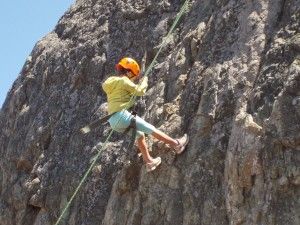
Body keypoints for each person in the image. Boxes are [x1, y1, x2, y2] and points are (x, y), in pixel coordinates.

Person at [102, 57, 189, 172]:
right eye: (133, 75)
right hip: (122, 116)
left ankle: (149, 162)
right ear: (128, 72)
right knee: (150, 129)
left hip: (112, 121)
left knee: (140, 135)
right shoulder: (124, 80)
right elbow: (140, 91)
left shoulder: (112, 83)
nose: (133, 79)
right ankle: (176, 144)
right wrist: (145, 80)